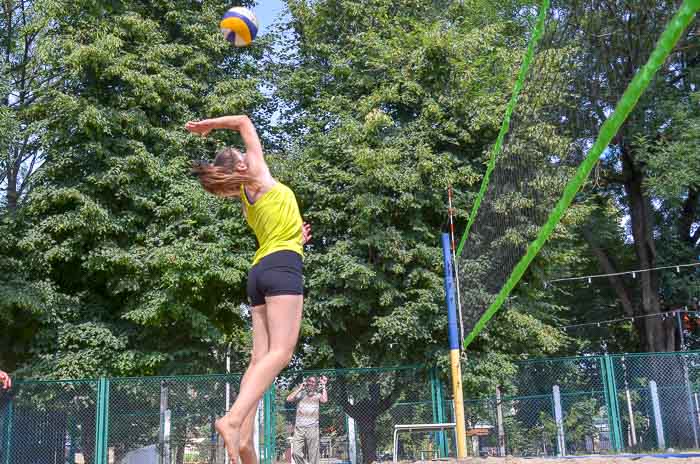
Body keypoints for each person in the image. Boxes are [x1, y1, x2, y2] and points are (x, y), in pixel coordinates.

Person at [186, 115, 310, 464]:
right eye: (242, 153)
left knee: (260, 359)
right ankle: (233, 420)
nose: (248, 152)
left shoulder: (246, 195)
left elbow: (278, 230)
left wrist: (296, 237)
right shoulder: (255, 172)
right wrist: (209, 126)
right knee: (282, 353)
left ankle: (245, 439)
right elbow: (243, 121)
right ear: (241, 162)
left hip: (260, 270)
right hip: (282, 267)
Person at [286, 376, 329, 464]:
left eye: (313, 382)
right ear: (306, 382)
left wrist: (324, 386)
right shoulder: (301, 394)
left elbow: (325, 400)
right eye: (309, 381)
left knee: (313, 455)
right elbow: (288, 399)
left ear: (316, 385)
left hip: (312, 428)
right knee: (295, 453)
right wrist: (299, 388)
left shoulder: (318, 395)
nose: (310, 383)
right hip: (299, 429)